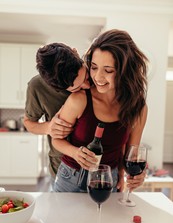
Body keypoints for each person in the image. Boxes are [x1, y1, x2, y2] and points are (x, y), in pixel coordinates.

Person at [51, 29, 148, 192]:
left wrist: (136, 175)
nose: (98, 77)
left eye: (108, 70)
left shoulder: (138, 107)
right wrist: (75, 153)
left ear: (125, 71)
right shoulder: (79, 99)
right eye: (94, 67)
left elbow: (131, 154)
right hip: (71, 179)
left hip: (109, 181)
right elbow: (56, 140)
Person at [24, 42, 90, 184]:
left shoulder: (96, 69)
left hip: (100, 164)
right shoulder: (37, 87)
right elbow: (29, 123)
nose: (88, 86)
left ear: (75, 52)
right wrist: (48, 127)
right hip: (61, 167)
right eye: (76, 88)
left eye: (85, 77)